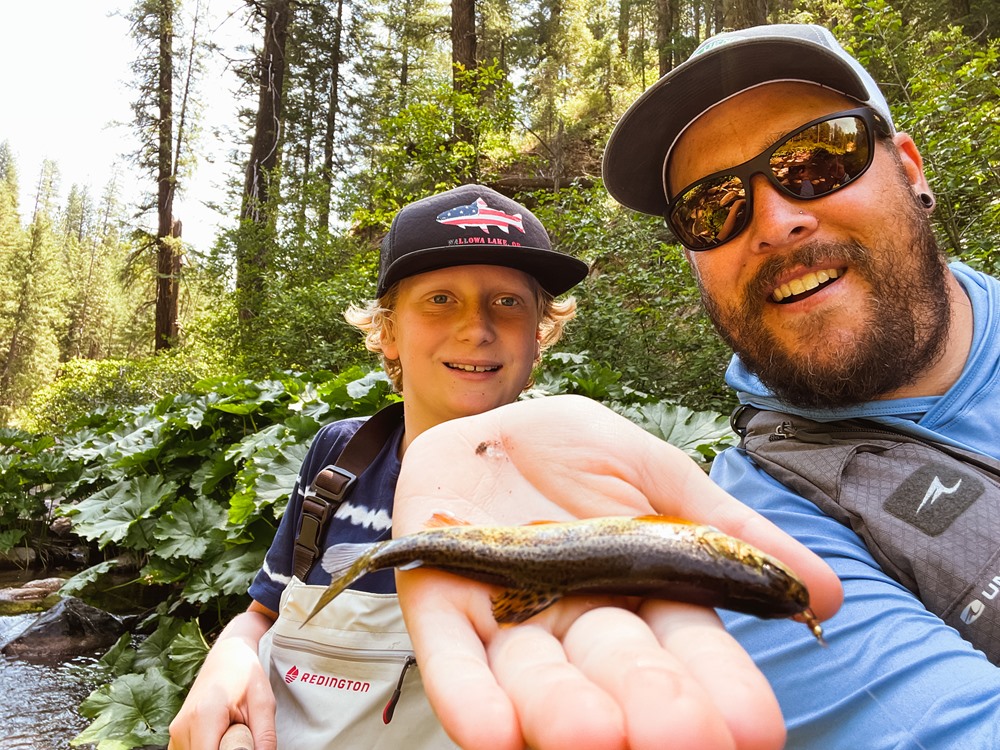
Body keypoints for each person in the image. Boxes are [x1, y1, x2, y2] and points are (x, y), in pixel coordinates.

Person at [597, 22, 1000, 748]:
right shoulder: (757, 533)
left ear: (909, 167)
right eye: (710, 205)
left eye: (819, 159)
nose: (776, 222)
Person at [167, 183, 588, 750]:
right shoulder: (337, 459)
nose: (477, 327)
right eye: (441, 299)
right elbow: (262, 613)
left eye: (508, 302)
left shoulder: (570, 489)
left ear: (540, 334)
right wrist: (228, 658)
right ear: (387, 332)